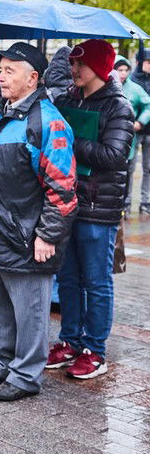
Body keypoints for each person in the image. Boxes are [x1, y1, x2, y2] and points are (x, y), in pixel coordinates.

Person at [0, 42, 77, 401]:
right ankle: (2, 363)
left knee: (30, 313)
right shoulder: (3, 114)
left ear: (33, 78)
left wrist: (47, 235)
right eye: (1, 70)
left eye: (10, 71)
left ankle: (26, 375)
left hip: (25, 238)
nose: (1, 76)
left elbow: (62, 187)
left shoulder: (47, 121)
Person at [47, 40, 134, 379]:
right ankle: (69, 340)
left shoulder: (118, 106)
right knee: (67, 277)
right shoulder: (68, 99)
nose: (73, 70)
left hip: (99, 208)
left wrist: (71, 140)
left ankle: (94, 350)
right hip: (66, 202)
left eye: (80, 64)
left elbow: (114, 156)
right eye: (72, 63)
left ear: (99, 67)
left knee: (96, 281)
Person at [114, 55, 150, 217]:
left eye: (125, 70)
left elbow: (148, 104)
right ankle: (121, 203)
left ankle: (133, 203)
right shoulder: (105, 86)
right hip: (114, 137)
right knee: (122, 170)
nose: (123, 73)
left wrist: (140, 121)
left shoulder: (134, 88)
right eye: (119, 70)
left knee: (136, 169)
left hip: (133, 135)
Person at [129, 48, 150, 215]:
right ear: (139, 62)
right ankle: (126, 201)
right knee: (129, 167)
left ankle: (146, 201)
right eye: (149, 62)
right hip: (134, 131)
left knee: (148, 168)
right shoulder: (131, 81)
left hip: (149, 132)